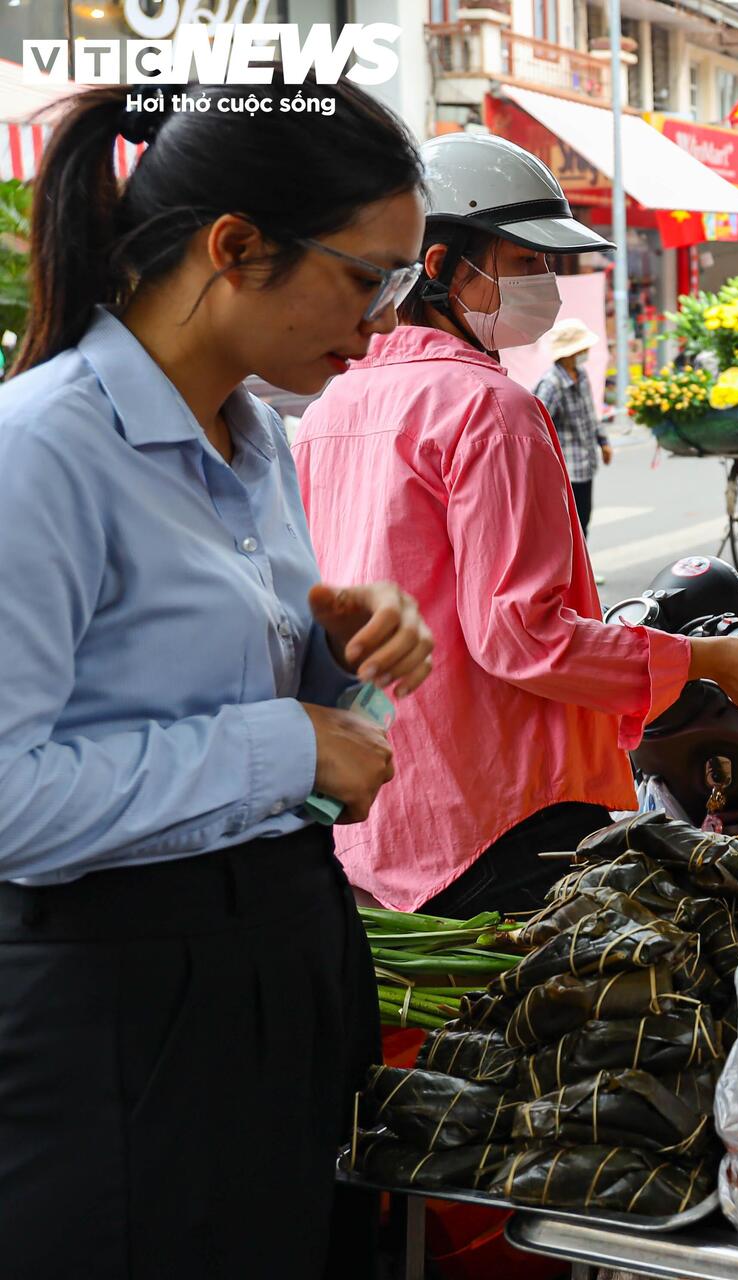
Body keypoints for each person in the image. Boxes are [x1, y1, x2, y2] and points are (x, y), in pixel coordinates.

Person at [0, 80, 434, 1276]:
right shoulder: (40, 451)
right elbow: (7, 799)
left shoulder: (257, 438)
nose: (386, 319)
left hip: (277, 957)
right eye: (369, 277)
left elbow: (258, 718)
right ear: (235, 247)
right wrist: (289, 739)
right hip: (118, 1012)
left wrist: (347, 659)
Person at [294, 132, 738, 920]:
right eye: (525, 261)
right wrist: (710, 660)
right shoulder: (491, 410)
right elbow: (521, 638)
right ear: (437, 267)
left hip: (377, 814)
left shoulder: (333, 405)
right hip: (496, 815)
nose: (548, 282)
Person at [532, 318, 610, 537]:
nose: (586, 351)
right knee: (569, 528)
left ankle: (582, 571)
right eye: (582, 348)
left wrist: (603, 441)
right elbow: (537, 425)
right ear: (569, 353)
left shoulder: (581, 375)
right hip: (565, 469)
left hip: (584, 463)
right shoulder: (552, 384)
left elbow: (589, 413)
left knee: (584, 520)